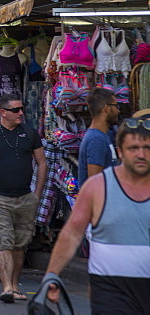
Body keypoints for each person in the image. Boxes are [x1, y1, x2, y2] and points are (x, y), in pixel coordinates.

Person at [42, 117, 150, 314]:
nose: (141, 154)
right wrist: (52, 274)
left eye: (147, 148)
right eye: (133, 148)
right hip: (110, 289)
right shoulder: (97, 187)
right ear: (120, 152)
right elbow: (72, 233)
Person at [0, 92, 46, 303]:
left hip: (25, 198)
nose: (20, 113)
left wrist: (37, 194)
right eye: (15, 110)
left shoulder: (30, 133)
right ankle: (6, 287)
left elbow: (42, 163)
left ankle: (14, 285)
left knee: (20, 244)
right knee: (2, 241)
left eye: (21, 109)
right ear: (3, 112)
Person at [78, 88, 119, 186]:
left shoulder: (102, 136)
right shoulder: (96, 139)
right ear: (107, 109)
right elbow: (95, 184)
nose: (118, 111)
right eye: (116, 106)